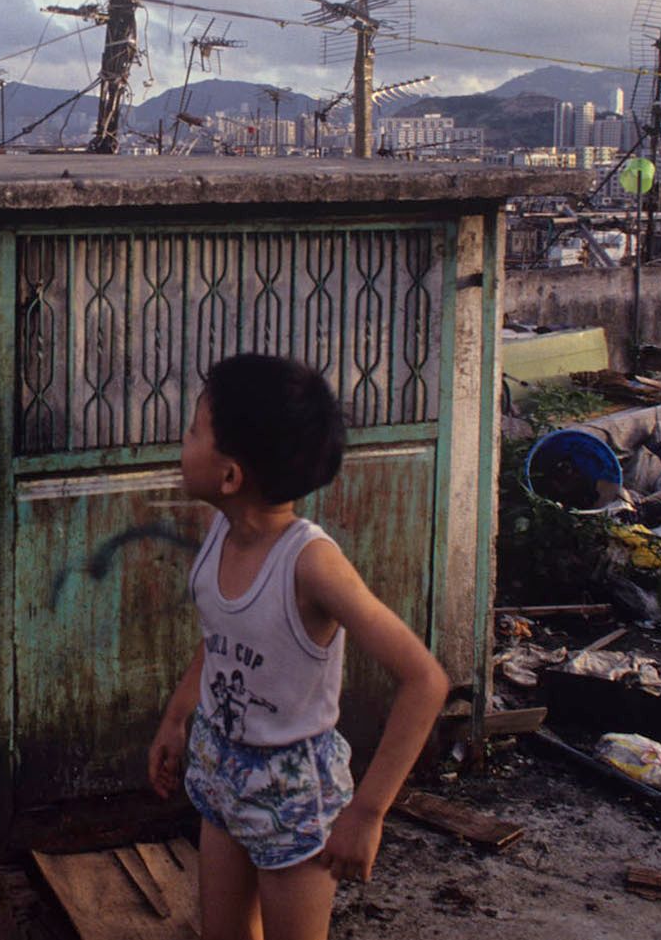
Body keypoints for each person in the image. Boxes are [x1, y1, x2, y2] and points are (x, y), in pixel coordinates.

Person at [149, 353, 449, 940]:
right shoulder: (220, 533)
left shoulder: (311, 564)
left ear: (231, 475)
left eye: (192, 432)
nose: (180, 443)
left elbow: (426, 680)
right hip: (220, 766)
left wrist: (366, 813)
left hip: (292, 790)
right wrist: (177, 718)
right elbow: (220, 639)